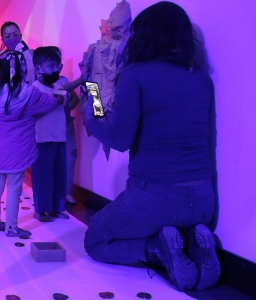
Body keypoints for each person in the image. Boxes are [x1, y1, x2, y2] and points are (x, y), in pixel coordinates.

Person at [81, 2, 219, 292]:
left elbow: (119, 139)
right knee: (179, 221)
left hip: (155, 198)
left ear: (143, 36)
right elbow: (208, 143)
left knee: (94, 240)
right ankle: (196, 240)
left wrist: (91, 114)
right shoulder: (202, 80)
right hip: (205, 199)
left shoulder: (136, 74)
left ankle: (155, 247)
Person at [0, 49, 58, 237]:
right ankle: (11, 227)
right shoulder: (29, 92)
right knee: (14, 189)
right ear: (24, 68)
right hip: (18, 148)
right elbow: (50, 103)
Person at [31, 46, 71, 222]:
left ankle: (57, 208)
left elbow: (65, 106)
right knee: (42, 176)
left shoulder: (59, 86)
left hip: (59, 137)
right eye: (51, 66)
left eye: (58, 65)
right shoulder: (34, 88)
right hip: (41, 139)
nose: (56, 69)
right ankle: (40, 210)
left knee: (59, 175)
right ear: (38, 68)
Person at [0, 21, 36, 86]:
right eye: (7, 36)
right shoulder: (0, 58)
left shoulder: (31, 54)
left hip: (31, 94)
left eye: (15, 35)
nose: (12, 38)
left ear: (20, 36)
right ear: (3, 40)